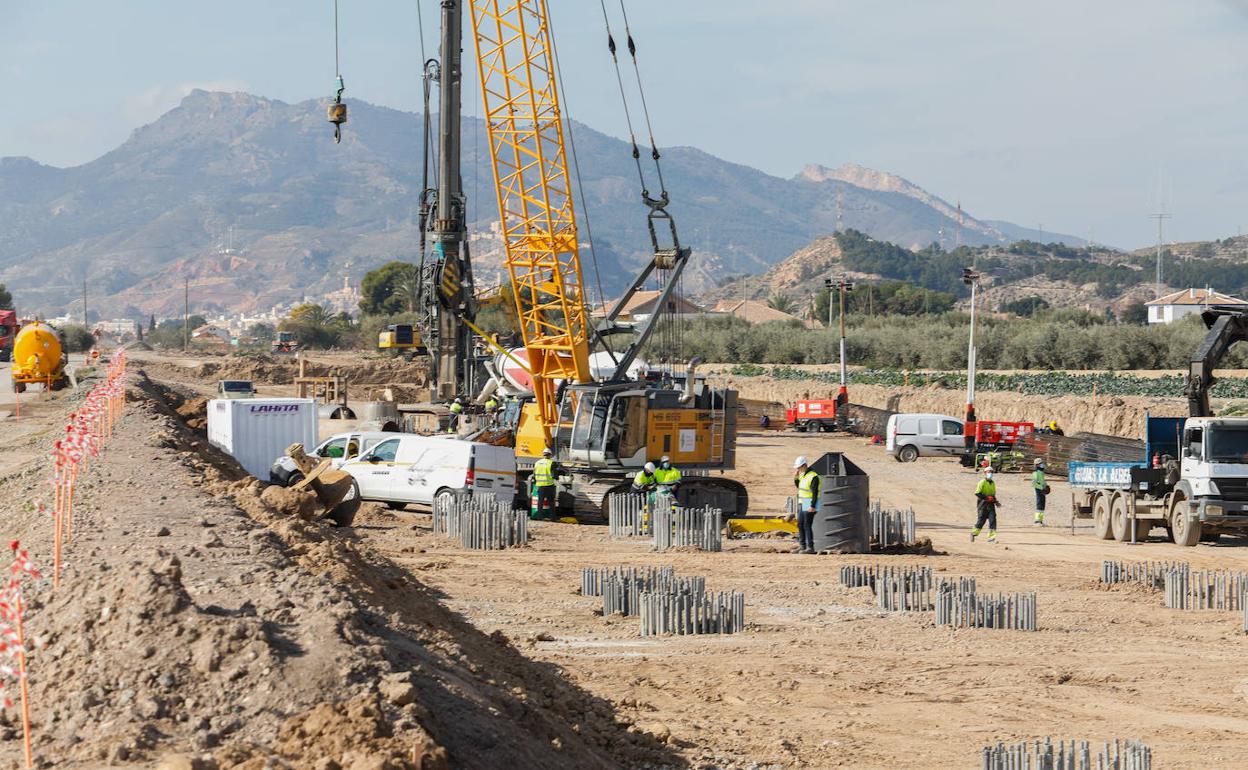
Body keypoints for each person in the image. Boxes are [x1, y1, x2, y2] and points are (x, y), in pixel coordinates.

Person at [793, 456, 820, 554]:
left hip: (810, 503)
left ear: (805, 465)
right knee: (800, 524)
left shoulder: (814, 476)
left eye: (799, 467)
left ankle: (810, 547)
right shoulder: (803, 475)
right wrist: (796, 477)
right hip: (802, 502)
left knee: (807, 525)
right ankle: (802, 546)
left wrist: (812, 506)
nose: (798, 469)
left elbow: (815, 492)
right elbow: (799, 486)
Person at [972, 467, 1000, 543]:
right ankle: (974, 533)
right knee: (981, 520)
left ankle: (991, 537)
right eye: (988, 472)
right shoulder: (982, 482)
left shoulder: (993, 483)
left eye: (991, 472)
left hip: (990, 505)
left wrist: (996, 502)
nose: (990, 473)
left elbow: (993, 495)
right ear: (985, 473)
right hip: (982, 504)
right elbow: (977, 493)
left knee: (993, 520)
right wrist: (986, 498)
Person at [531, 448, 558, 520]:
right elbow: (554, 475)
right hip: (549, 485)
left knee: (540, 502)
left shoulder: (537, 463)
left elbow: (534, 474)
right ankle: (552, 518)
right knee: (551, 502)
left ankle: (539, 517)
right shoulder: (551, 463)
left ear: (543, 454)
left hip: (540, 485)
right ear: (550, 455)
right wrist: (557, 478)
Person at [1031, 458, 1049, 526]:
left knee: (1042, 505)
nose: (1042, 464)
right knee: (1039, 504)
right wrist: (1042, 488)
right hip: (1039, 490)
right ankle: (1037, 521)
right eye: (1041, 463)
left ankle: (1040, 521)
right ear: (1037, 465)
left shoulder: (1041, 472)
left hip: (1042, 490)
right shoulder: (1036, 473)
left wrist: (1046, 486)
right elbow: (1034, 483)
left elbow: (1042, 481)